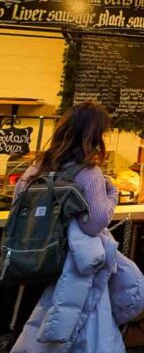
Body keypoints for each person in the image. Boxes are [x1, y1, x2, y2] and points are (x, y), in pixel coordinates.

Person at [9, 102, 118, 340]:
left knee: (27, 327)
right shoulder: (88, 173)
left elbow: (18, 203)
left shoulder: (37, 166)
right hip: (65, 266)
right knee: (56, 331)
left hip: (31, 258)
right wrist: (112, 195)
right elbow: (95, 224)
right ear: (95, 135)